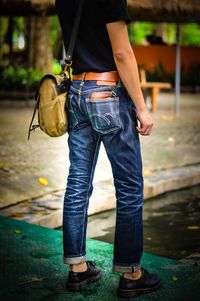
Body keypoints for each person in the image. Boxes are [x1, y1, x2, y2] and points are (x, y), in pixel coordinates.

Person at [56, 0, 162, 298]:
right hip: (108, 93)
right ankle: (131, 273)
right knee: (129, 187)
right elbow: (121, 52)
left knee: (77, 182)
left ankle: (77, 269)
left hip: (76, 93)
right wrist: (142, 109)